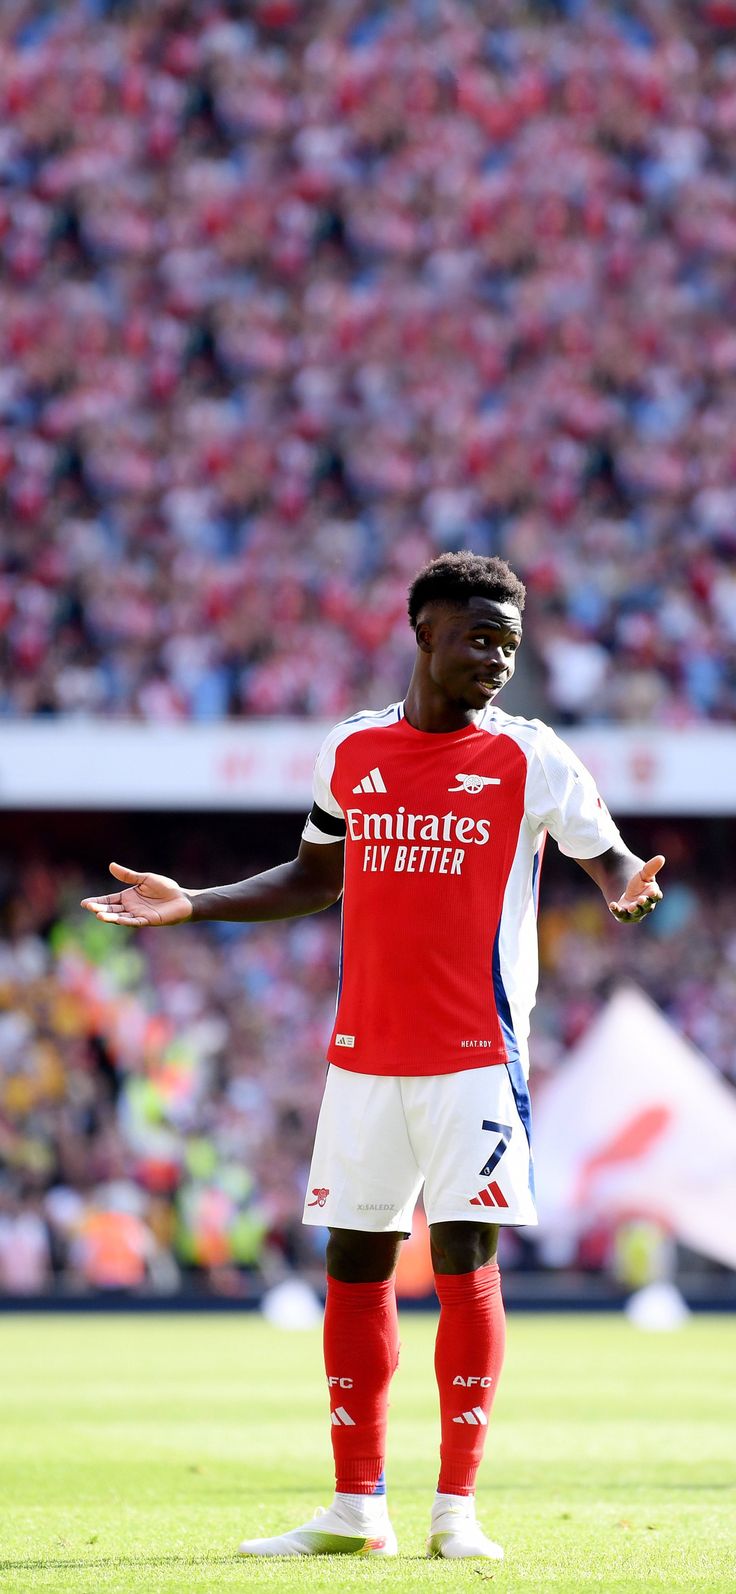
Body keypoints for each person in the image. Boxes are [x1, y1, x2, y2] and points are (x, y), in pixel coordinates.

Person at [82, 551, 664, 1560]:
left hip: (477, 1056)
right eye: (478, 637)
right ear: (423, 632)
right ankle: (357, 1508)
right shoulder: (352, 749)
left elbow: (607, 856)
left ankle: (456, 1511)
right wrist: (197, 902)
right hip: (361, 1060)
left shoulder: (532, 757)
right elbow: (315, 874)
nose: (495, 659)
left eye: (509, 645)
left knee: (462, 1262)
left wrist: (624, 887)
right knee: (352, 1264)